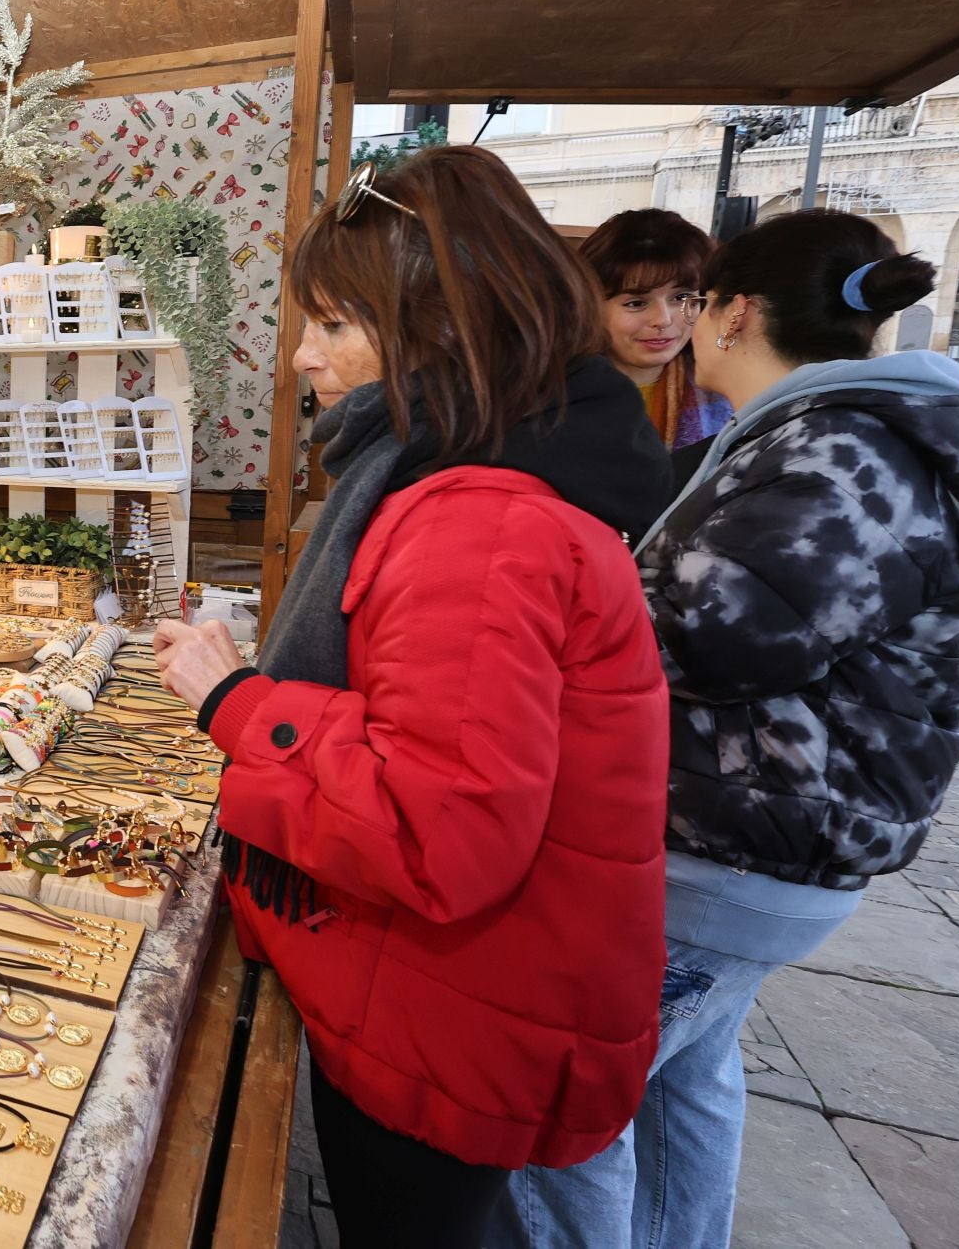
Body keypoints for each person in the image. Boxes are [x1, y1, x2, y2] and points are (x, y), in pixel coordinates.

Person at [151, 146, 675, 1248]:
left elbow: (436, 824)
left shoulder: (479, 517)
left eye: (335, 323)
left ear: (443, 327)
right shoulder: (498, 470)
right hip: (463, 995)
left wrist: (239, 700)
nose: (303, 356)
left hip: (450, 1014)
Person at [497, 209, 959, 1249]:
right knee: (689, 1076)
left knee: (564, 1098)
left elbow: (713, 633)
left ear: (737, 311)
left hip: (739, 845)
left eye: (694, 297)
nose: (677, 319)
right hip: (763, 835)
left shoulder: (832, 445)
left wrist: (542, 600)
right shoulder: (826, 434)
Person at [579, 208, 732, 453]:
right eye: (636, 303)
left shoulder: (728, 391)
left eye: (682, 297)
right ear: (589, 306)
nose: (663, 320)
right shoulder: (551, 399)